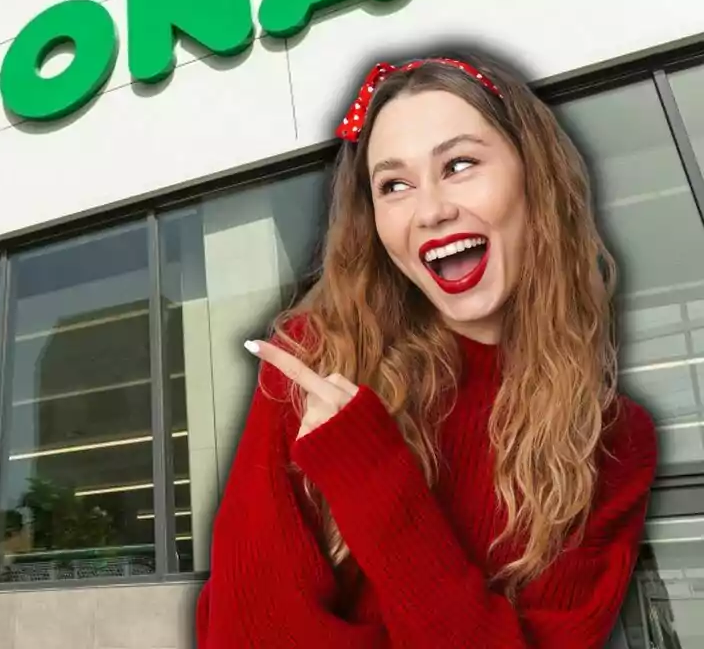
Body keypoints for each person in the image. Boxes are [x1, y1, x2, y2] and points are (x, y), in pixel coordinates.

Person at [195, 54, 658, 648]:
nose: (431, 210)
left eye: (459, 164)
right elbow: (250, 634)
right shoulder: (317, 366)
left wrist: (374, 480)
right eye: (394, 185)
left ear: (533, 178)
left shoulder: (616, 439)